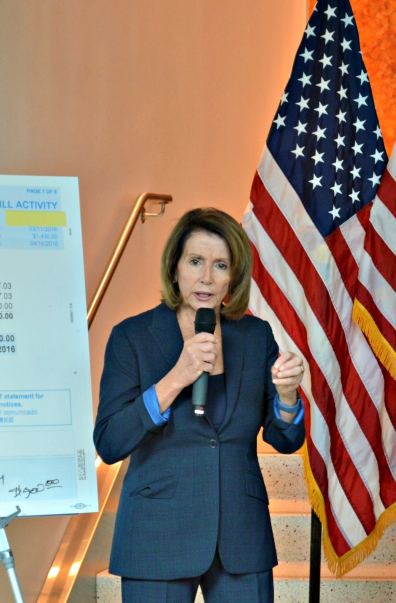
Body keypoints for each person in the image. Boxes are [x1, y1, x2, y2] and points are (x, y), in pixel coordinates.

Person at [93, 208, 306, 603]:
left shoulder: (256, 336)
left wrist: (289, 395)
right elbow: (109, 442)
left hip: (241, 539)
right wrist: (177, 377)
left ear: (234, 278)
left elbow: (286, 439)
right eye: (195, 262)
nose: (206, 277)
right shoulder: (132, 336)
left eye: (220, 265)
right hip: (157, 538)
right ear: (175, 268)